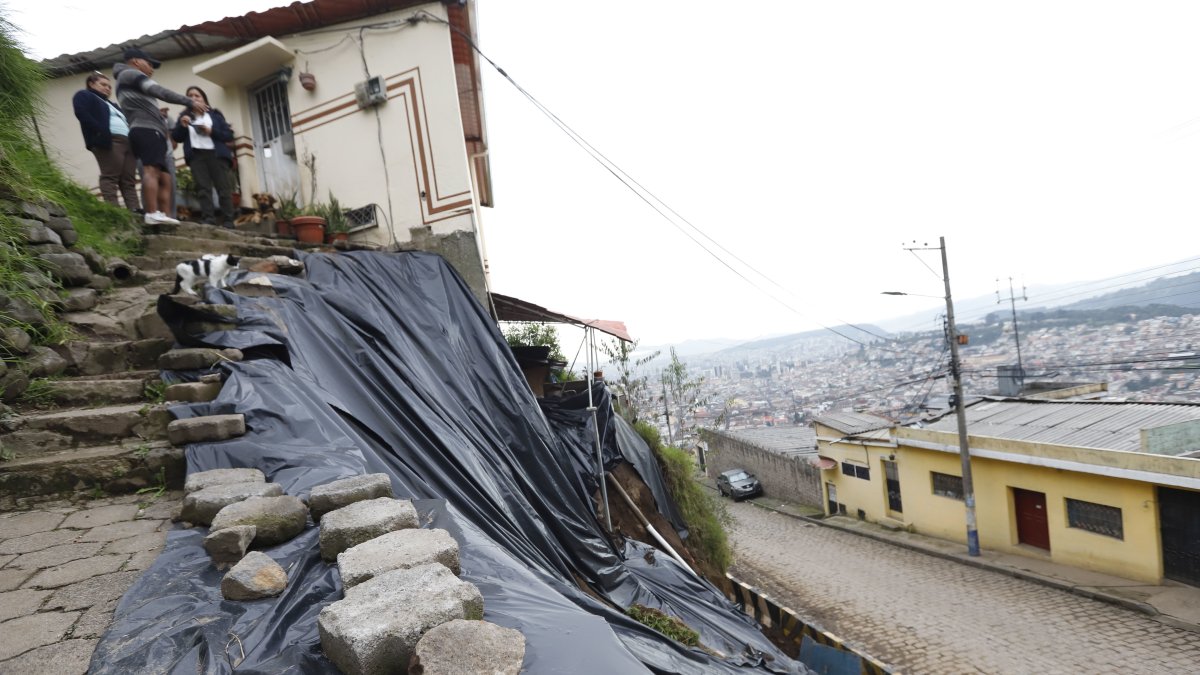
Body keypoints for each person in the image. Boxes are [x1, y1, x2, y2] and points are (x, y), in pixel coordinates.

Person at [113, 47, 207, 226]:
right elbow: (160, 91)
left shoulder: (131, 80)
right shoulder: (129, 74)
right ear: (135, 61)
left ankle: (165, 216)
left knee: (166, 178)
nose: (151, 69)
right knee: (151, 171)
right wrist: (189, 101)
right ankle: (151, 213)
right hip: (145, 130)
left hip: (154, 132)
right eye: (149, 64)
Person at [71, 72, 140, 212]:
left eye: (109, 86)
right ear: (91, 84)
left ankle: (135, 210)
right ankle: (115, 210)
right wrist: (100, 131)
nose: (107, 88)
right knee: (110, 176)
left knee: (129, 179)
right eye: (103, 85)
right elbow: (81, 112)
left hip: (127, 142)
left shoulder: (112, 104)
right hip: (109, 140)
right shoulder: (85, 95)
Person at [171, 86, 235, 227]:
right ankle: (208, 218)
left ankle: (229, 220)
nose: (193, 98)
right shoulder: (184, 117)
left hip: (216, 154)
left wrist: (211, 130)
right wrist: (182, 125)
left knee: (223, 188)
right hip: (196, 156)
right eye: (190, 96)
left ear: (204, 99)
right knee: (203, 188)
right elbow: (177, 137)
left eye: (197, 95)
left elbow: (228, 135)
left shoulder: (215, 115)